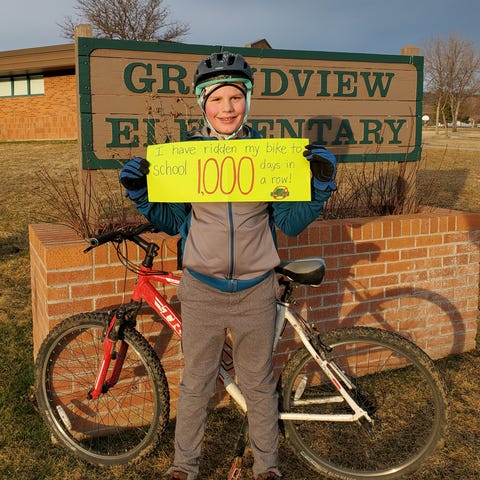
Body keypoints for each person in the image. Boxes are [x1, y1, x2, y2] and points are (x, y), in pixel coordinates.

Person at [119, 51, 337, 480]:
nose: (227, 108)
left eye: (235, 98)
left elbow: (289, 224)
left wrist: (319, 187)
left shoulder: (268, 156)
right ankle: (184, 467)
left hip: (256, 288)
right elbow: (175, 221)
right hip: (202, 288)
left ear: (248, 102)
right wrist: (142, 195)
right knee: (197, 385)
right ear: (203, 103)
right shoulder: (186, 157)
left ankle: (267, 469)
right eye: (216, 99)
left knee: (258, 385)